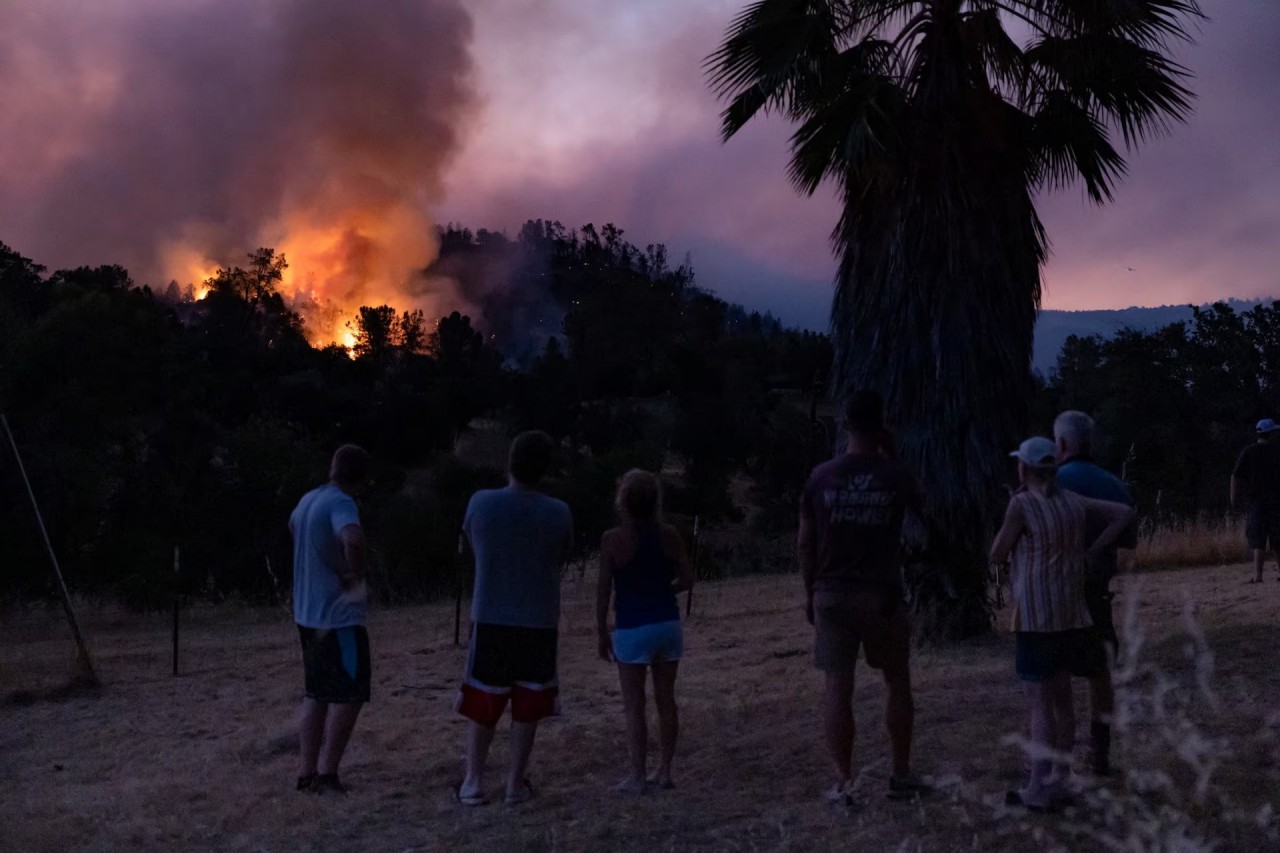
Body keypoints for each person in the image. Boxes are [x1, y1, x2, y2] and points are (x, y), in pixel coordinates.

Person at [798, 390, 929, 805]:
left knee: (838, 686)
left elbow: (805, 542)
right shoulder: (895, 476)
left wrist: (809, 591)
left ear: (844, 423)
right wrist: (893, 456)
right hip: (881, 595)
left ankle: (843, 780)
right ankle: (901, 772)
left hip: (832, 593)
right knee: (896, 679)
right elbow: (924, 513)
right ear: (881, 424)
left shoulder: (820, 477)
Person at [990, 437, 1136, 811]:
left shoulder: (1022, 504)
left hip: (1036, 616)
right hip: (1071, 612)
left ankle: (1038, 788)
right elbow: (1123, 513)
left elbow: (997, 553)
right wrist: (1093, 550)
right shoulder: (1074, 502)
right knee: (1063, 699)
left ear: (1025, 468)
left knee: (1039, 703)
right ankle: (1062, 779)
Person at [455, 431, 574, 807]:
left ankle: (473, 781)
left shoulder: (481, 503)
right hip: (539, 622)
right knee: (528, 707)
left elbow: (471, 545)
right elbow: (563, 553)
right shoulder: (558, 512)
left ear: (510, 461)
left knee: (484, 703)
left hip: (491, 618)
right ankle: (514, 784)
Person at [596, 470, 695, 793]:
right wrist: (664, 590)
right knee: (666, 700)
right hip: (666, 623)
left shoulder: (612, 540)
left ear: (623, 502)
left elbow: (603, 591)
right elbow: (688, 579)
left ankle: (637, 775)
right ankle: (665, 771)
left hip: (631, 627)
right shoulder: (669, 535)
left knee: (634, 705)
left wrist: (601, 630)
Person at [1053, 411, 1137, 777]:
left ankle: (1058, 757)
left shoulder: (1052, 482)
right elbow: (1127, 541)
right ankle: (1100, 752)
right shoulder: (1114, 485)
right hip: (1097, 593)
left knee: (1054, 673)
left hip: (1055, 593)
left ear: (1061, 443)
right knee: (1100, 672)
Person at [289, 444, 373, 794]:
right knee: (350, 694)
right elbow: (352, 538)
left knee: (317, 693)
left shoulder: (308, 500)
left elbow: (293, 529)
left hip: (307, 614)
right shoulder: (342, 502)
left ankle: (307, 772)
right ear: (362, 477)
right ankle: (327, 774)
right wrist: (355, 573)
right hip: (338, 617)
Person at [1230, 418, 1280, 584]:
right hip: (1276, 501)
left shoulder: (1248, 451)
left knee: (1257, 538)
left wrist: (1233, 498)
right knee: (1277, 538)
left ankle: (1258, 575)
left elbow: (1235, 476)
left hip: (1255, 501)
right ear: (1270, 434)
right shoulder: (1277, 451)